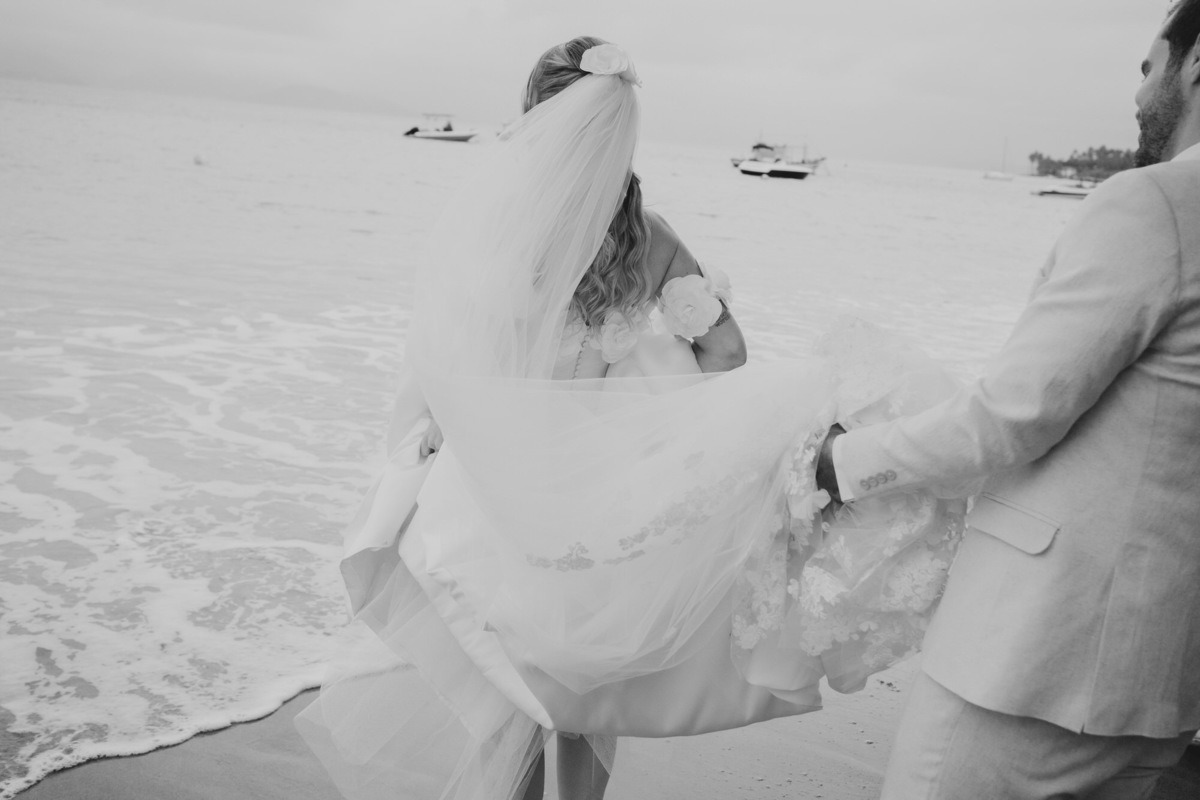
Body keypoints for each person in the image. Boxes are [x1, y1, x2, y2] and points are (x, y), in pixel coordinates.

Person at [297, 37, 966, 800]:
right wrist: (658, 416)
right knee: (587, 691)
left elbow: (457, 365)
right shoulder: (650, 237)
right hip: (605, 494)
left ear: (537, 119)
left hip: (502, 484)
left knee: (512, 685)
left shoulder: (503, 227)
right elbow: (726, 353)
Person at [817, 4, 1200, 797]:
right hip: (1166, 676)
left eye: (1149, 67)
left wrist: (839, 464)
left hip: (1038, 661)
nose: (1138, 94)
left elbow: (1012, 416)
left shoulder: (1155, 205)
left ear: (1195, 67)